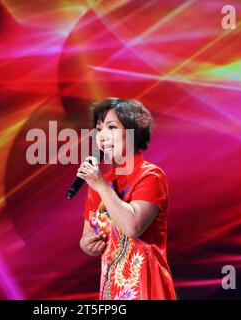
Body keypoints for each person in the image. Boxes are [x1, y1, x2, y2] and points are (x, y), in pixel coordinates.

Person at [78, 98, 176, 300]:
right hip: (110, 289)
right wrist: (87, 245)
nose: (102, 136)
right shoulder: (99, 183)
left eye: (111, 127)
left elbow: (132, 227)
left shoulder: (150, 176)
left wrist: (102, 187)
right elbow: (87, 236)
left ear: (134, 132)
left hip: (145, 287)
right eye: (99, 129)